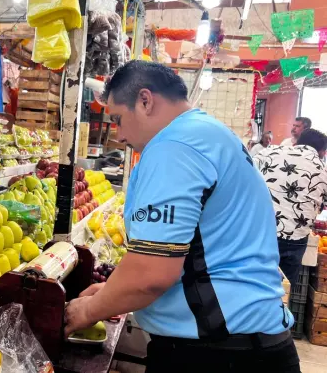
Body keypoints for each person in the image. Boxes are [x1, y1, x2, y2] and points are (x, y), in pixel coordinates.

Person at [64, 61, 298, 372]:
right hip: (253, 341)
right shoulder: (211, 134)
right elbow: (202, 247)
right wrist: (111, 293)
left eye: (118, 119)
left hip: (218, 353)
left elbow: (151, 275)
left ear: (145, 101)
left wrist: (89, 310)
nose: (118, 136)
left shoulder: (173, 147)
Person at [253, 129, 327, 285]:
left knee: (252, 281)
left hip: (259, 230)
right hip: (295, 238)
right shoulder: (323, 169)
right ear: (322, 151)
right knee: (282, 290)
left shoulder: (270, 152)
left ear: (297, 142)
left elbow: (245, 172)